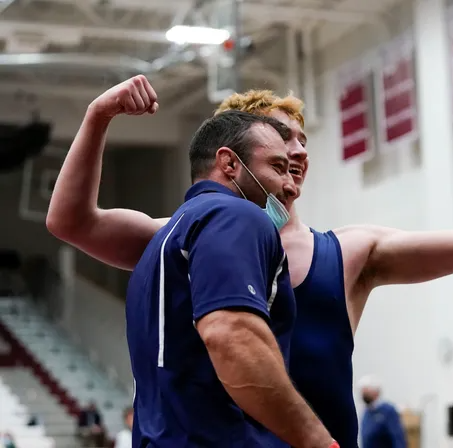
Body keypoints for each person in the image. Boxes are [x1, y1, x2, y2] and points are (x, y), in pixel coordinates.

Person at [46, 75, 453, 448]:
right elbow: (71, 221)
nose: (297, 150)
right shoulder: (184, 234)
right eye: (282, 139)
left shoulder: (351, 251)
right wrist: (98, 114)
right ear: (239, 158)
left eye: (303, 139)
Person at [125, 109, 335, 447]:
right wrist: (320, 442)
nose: (289, 184)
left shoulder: (165, 239)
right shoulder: (235, 215)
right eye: (278, 167)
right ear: (230, 163)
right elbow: (231, 336)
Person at [358, 376, 407, 448]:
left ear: (375, 391)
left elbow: (398, 438)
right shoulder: (366, 412)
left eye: (366, 390)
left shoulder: (388, 410)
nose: (363, 393)